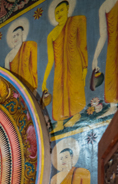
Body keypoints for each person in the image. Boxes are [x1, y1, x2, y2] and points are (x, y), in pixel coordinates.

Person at [42, 0, 87, 132]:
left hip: (75, 63)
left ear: (68, 9)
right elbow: (50, 60)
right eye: (56, 12)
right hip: (59, 69)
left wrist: (85, 67)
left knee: (74, 89)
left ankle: (76, 114)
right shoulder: (51, 35)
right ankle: (60, 121)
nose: (59, 14)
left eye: (61, 10)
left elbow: (82, 45)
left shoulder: (77, 22)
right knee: (59, 93)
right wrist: (44, 81)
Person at [92, 0, 118, 118]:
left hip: (114, 45)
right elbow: (103, 35)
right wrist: (95, 57)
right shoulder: (103, 7)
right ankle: (113, 107)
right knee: (112, 73)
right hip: (113, 46)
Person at [5, 24, 38, 92]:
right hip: (16, 89)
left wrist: (35, 85)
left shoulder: (29, 46)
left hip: (29, 85)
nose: (16, 38)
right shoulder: (9, 56)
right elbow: (7, 77)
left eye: (17, 35)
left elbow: (33, 68)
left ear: (22, 35)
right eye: (14, 36)